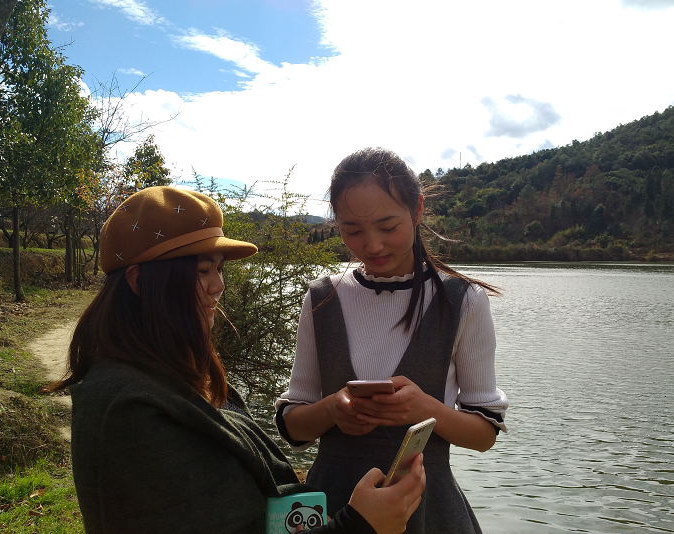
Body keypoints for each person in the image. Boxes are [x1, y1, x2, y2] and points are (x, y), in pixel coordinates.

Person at [48, 186, 426, 534]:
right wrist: (359, 526)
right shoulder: (130, 411)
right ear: (138, 281)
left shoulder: (175, 377)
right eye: (202, 270)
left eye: (219, 268)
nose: (219, 285)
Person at [275, 148, 509, 534]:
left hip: (427, 512)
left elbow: (484, 435)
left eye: (387, 226)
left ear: (417, 210)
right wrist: (333, 409)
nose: (373, 245)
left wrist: (424, 409)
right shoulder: (322, 298)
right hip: (334, 511)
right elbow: (294, 427)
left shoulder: (462, 301)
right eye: (352, 230)